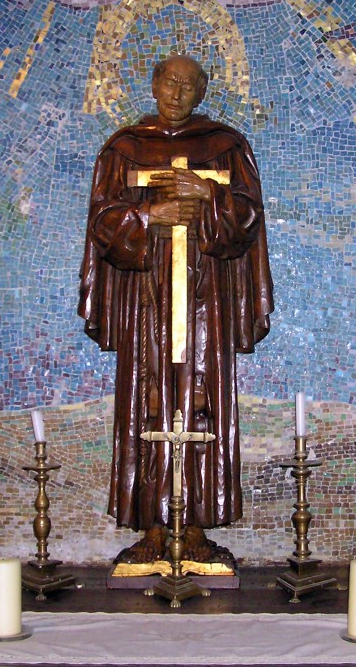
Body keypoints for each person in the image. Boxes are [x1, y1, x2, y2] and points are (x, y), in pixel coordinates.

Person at [78, 54, 273, 564]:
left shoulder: (226, 147)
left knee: (203, 395)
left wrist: (208, 193)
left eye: (189, 86)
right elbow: (103, 222)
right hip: (146, 304)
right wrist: (150, 216)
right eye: (170, 82)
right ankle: (152, 525)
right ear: (154, 84)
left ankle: (198, 527)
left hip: (207, 301)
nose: (178, 94)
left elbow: (248, 219)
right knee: (147, 397)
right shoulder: (124, 149)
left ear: (203, 91)